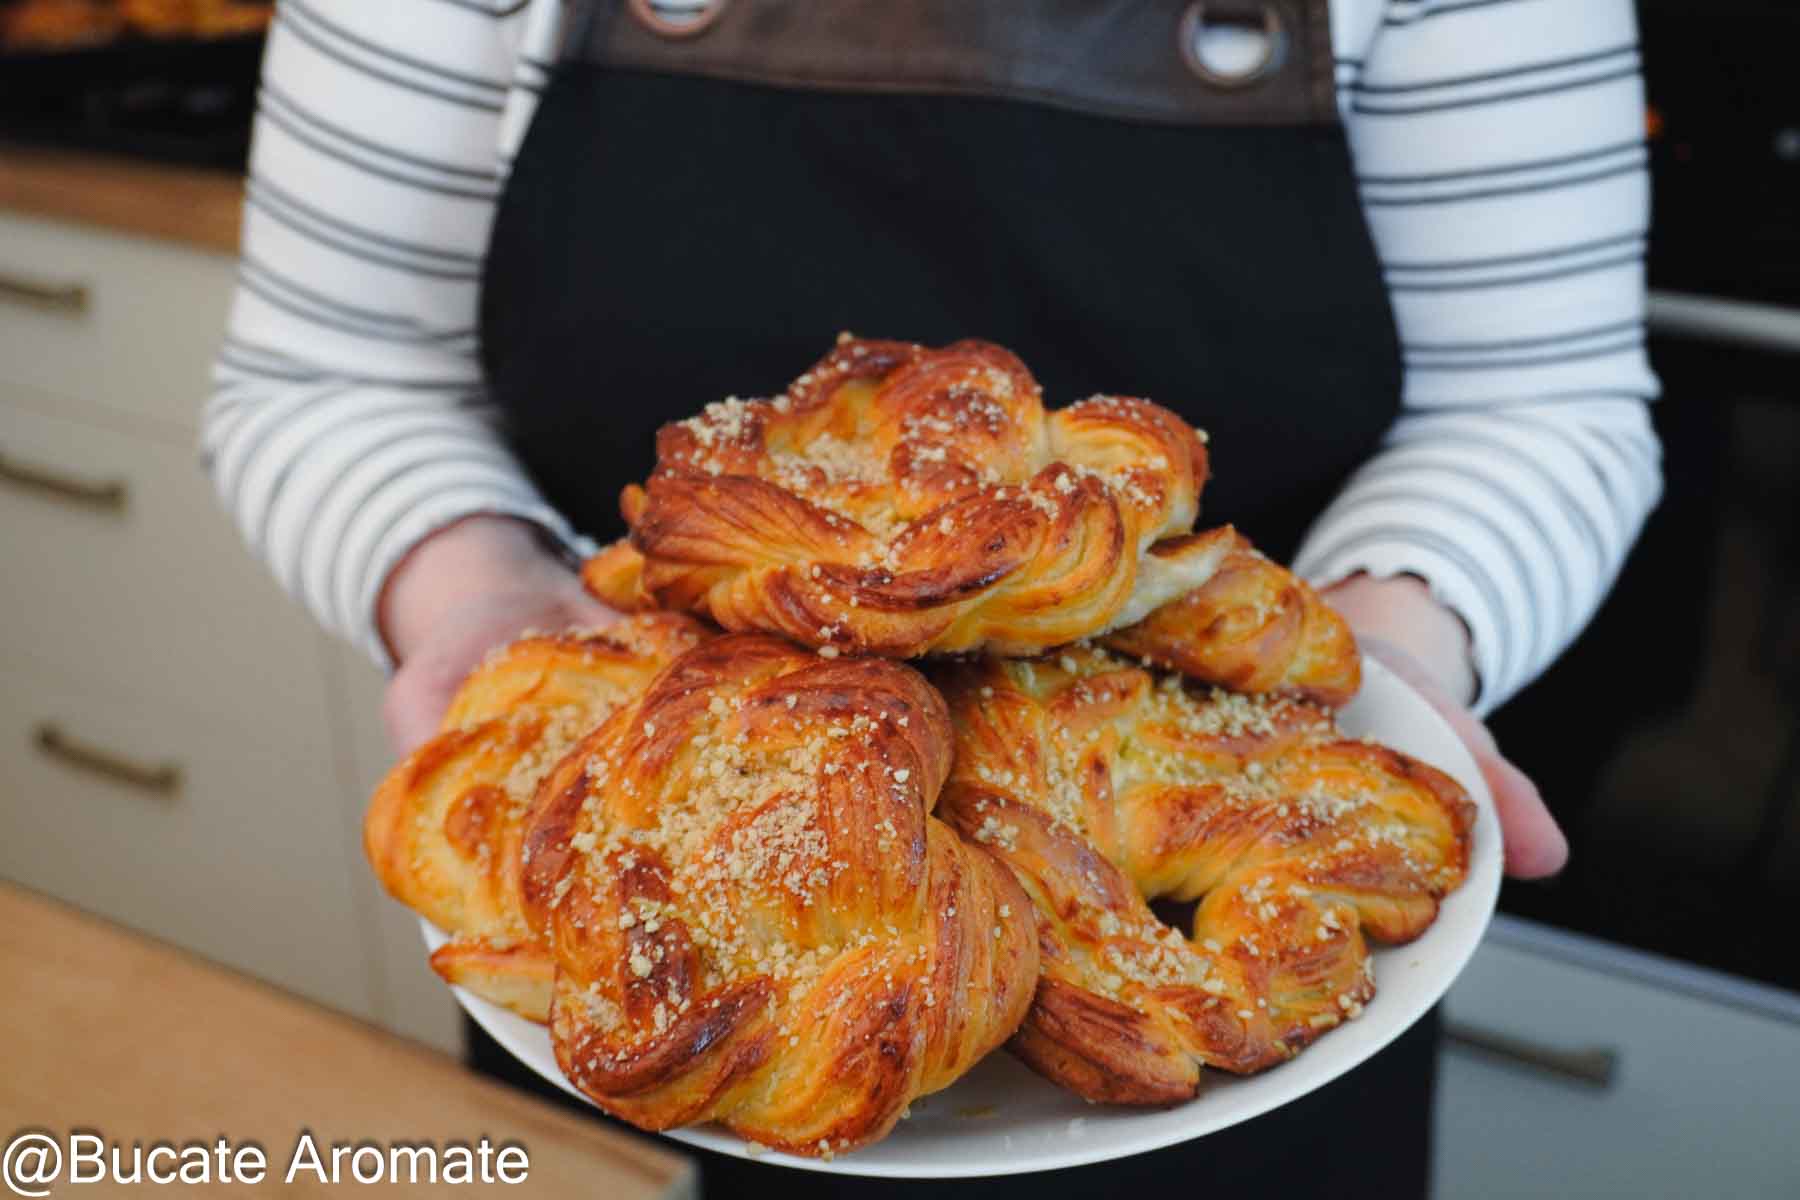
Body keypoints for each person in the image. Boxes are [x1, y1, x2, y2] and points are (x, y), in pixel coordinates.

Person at [203, 0, 1660, 1192]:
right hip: (623, 970)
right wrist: (472, 588)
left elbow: (1546, 402)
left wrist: (1398, 630)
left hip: (1253, 1050)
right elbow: (322, 378)